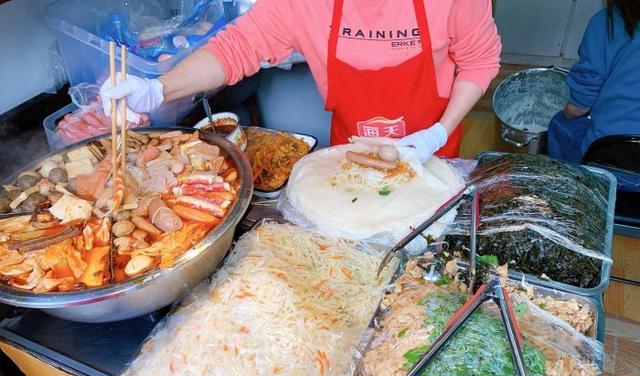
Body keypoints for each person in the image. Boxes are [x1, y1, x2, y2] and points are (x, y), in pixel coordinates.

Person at [101, 0, 501, 162]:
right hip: (353, 147)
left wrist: (437, 133)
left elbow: (479, 61)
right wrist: (159, 89)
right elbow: (238, 46)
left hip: (431, 147)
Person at [548, 0, 640, 164]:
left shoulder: (609, 21)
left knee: (559, 123)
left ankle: (563, 176)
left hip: (607, 155)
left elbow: (576, 109)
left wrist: (568, 111)